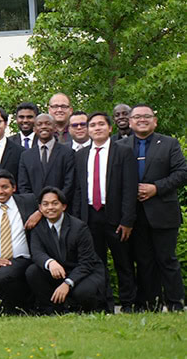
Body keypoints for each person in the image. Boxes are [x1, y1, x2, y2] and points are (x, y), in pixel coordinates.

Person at [125, 103, 187, 311]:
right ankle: (150, 303)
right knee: (144, 261)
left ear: (155, 120)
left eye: (147, 116)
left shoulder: (169, 144)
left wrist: (156, 188)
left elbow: (182, 173)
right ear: (130, 122)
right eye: (137, 117)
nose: (142, 120)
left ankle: (175, 302)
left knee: (166, 259)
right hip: (135, 213)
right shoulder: (122, 145)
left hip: (163, 211)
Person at [74, 111, 137, 313]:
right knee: (96, 263)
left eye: (101, 124)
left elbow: (129, 188)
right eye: (92, 125)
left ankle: (128, 304)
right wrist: (77, 219)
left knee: (123, 262)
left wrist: (127, 219)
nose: (97, 128)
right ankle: (104, 304)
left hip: (116, 216)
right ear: (88, 130)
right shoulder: (81, 155)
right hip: (90, 216)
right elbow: (78, 189)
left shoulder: (123, 151)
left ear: (110, 128)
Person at [26, 187, 104, 314]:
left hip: (83, 271)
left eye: (55, 203)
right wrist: (50, 262)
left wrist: (67, 283)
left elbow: (86, 262)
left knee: (83, 292)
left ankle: (82, 309)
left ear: (64, 206)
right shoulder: (38, 227)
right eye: (45, 204)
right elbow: (36, 252)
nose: (50, 207)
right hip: (57, 270)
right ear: (40, 208)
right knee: (32, 271)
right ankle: (53, 310)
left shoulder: (79, 227)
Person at [0, 170, 37, 313]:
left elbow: (50, 202)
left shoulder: (29, 201)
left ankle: (24, 307)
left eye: (5, 187)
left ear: (14, 188)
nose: (0, 191)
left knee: (4, 275)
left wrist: (39, 212)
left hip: (24, 258)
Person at [18, 114, 77, 206]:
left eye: (48, 123)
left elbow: (69, 183)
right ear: (34, 129)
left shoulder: (68, 153)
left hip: (61, 208)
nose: (44, 126)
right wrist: (40, 206)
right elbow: (23, 186)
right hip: (34, 210)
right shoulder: (25, 155)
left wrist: (55, 204)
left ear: (55, 128)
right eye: (39, 124)